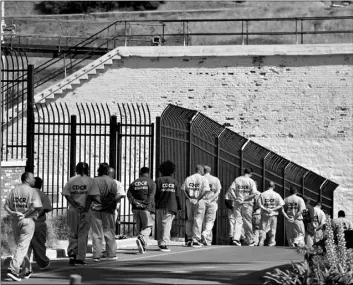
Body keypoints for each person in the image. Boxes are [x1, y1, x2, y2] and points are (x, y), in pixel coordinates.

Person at [4, 172, 42, 281]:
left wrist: (12, 213)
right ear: (27, 179)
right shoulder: (33, 191)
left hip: (15, 221)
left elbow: (6, 206)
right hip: (27, 221)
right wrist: (25, 214)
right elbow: (37, 207)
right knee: (22, 246)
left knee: (21, 246)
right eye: (32, 178)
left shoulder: (14, 190)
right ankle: (13, 269)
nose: (34, 180)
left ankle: (26, 270)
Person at [62, 162, 100, 266]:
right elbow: (91, 196)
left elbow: (66, 195)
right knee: (83, 234)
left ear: (76, 169)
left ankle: (72, 253)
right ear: (87, 169)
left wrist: (75, 205)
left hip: (73, 210)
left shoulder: (72, 180)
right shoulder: (91, 181)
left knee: (73, 232)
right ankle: (80, 257)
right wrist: (85, 209)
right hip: (86, 210)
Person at [91, 163, 120, 262]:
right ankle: (111, 254)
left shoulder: (93, 181)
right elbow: (113, 196)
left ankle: (96, 255)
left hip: (95, 209)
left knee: (96, 233)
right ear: (108, 171)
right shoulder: (112, 182)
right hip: (108, 210)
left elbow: (90, 195)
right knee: (109, 232)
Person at [225, 168, 258, 246]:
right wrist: (244, 198)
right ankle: (250, 240)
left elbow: (231, 190)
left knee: (238, 221)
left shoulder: (237, 180)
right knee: (247, 221)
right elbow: (254, 194)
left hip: (237, 203)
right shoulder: (251, 181)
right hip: (247, 203)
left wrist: (236, 198)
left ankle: (236, 238)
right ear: (251, 174)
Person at [127, 167, 156, 254]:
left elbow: (129, 194)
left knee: (139, 227)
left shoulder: (134, 183)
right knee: (147, 227)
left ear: (140, 173)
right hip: (146, 208)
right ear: (149, 173)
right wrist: (145, 204)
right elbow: (151, 195)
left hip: (136, 208)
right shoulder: (151, 182)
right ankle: (142, 238)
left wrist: (135, 203)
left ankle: (143, 246)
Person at [155, 160, 182, 252]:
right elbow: (177, 195)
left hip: (159, 205)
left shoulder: (158, 180)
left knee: (159, 224)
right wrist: (179, 206)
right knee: (166, 224)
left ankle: (160, 241)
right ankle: (164, 243)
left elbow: (155, 193)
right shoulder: (174, 181)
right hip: (171, 205)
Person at [181, 165, 210, 247]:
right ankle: (196, 239)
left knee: (189, 219)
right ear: (201, 170)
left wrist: (190, 198)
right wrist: (197, 199)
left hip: (189, 201)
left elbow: (184, 190)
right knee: (198, 219)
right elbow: (205, 191)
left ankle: (189, 238)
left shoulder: (189, 178)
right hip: (199, 200)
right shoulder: (203, 179)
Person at [27, 177, 52, 270]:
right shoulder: (41, 195)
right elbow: (46, 208)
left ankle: (23, 264)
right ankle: (43, 262)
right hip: (37, 223)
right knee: (39, 243)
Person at [258, 181, 285, 247]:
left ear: (268, 186)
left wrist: (265, 209)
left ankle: (261, 240)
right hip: (273, 214)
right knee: (273, 230)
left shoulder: (263, 194)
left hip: (265, 214)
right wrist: (273, 209)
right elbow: (281, 204)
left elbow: (259, 204)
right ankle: (271, 243)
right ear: (274, 186)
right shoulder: (277, 194)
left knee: (263, 229)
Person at [201, 164, 221, 246]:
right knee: (210, 220)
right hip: (212, 202)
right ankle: (206, 234)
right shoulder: (215, 179)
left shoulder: (201, 179)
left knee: (202, 220)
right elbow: (218, 191)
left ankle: (206, 239)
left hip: (202, 201)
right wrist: (211, 199)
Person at [107, 167, 126, 237]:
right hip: (110, 208)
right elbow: (121, 194)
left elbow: (121, 194)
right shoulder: (117, 183)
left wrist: (109, 200)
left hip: (111, 208)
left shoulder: (117, 183)